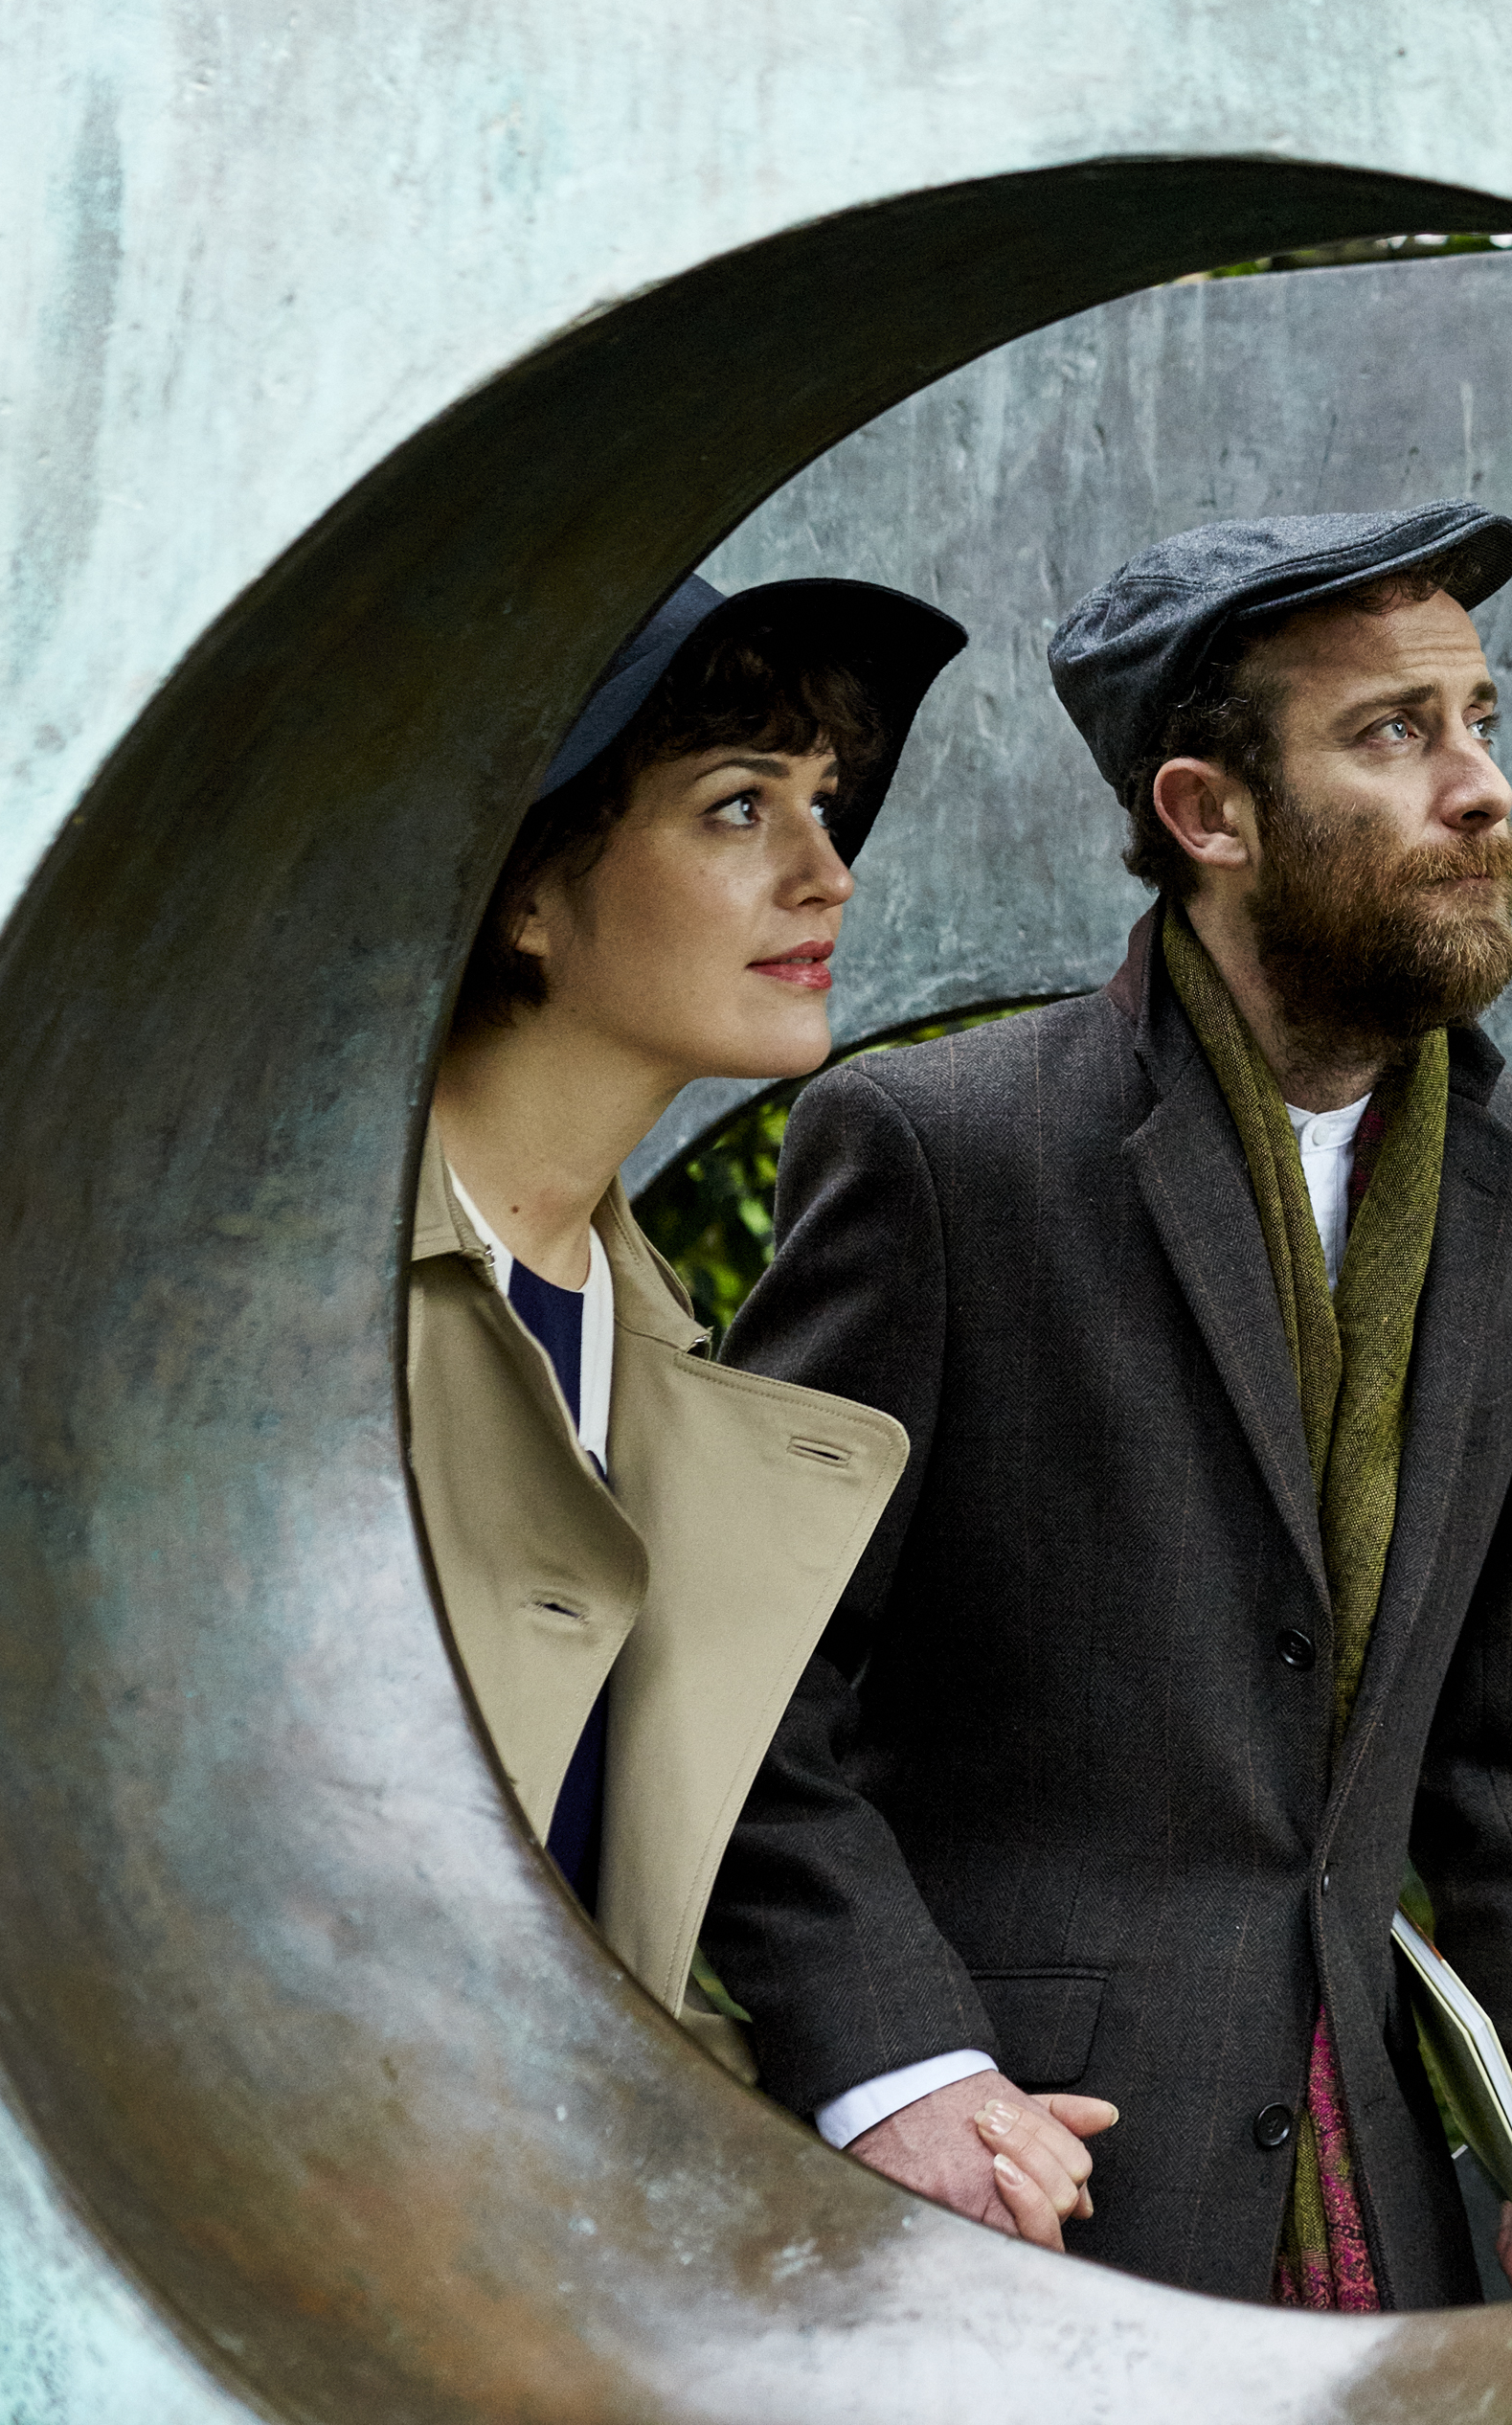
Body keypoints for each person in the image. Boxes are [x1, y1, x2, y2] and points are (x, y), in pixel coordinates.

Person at [704, 502, 1512, 2308]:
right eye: (1393, 733)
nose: (1479, 788)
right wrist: (901, 2067)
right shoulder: (942, 1153)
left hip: (1382, 2193)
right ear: (1205, 814)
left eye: (1480, 721)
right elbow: (731, 1699)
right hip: (1016, 2189)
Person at [407, 570, 1114, 2247]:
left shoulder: (657, 1363)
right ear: (523, 885)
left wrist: (919, 2119)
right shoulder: (290, 1313)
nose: (826, 871)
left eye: (822, 803)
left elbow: (588, 1957)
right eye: (739, 805)